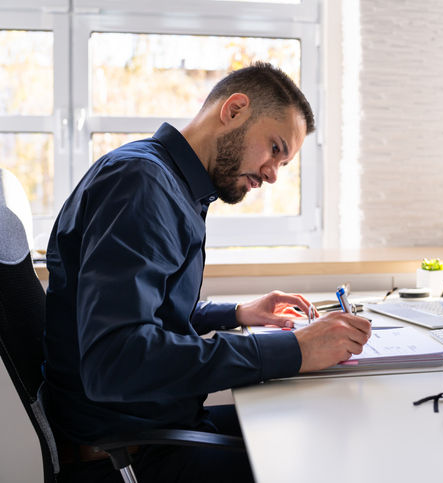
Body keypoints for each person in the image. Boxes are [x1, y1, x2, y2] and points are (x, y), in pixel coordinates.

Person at [43, 62, 372, 482]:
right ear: (234, 110)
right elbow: (116, 358)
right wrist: (295, 350)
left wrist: (236, 313)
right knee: (336, 462)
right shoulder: (142, 183)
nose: (272, 174)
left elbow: (147, 311)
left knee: (327, 422)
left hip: (157, 429)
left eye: (283, 164)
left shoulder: (169, 183)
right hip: (132, 457)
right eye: (274, 148)